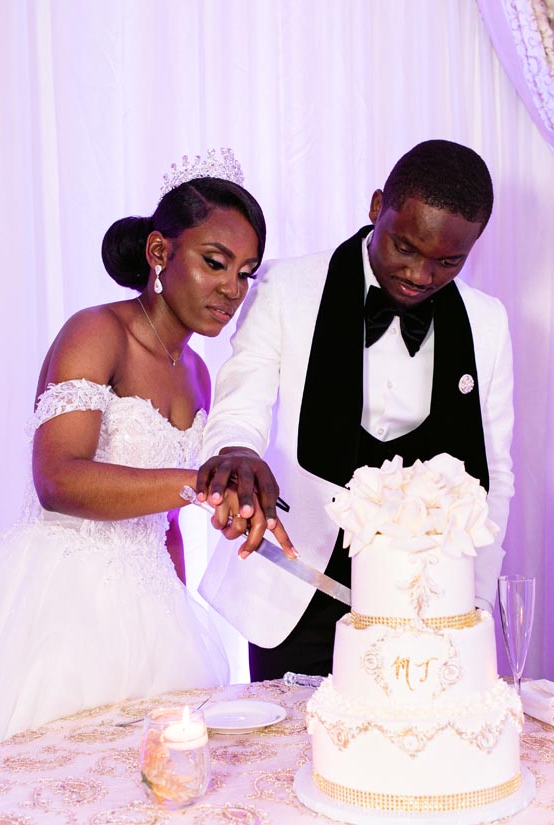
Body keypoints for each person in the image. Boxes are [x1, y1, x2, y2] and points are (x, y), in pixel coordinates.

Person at [0, 148, 266, 821]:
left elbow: (168, 521)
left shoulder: (199, 374)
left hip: (152, 606)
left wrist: (181, 582)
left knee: (153, 793)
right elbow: (57, 477)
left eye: (245, 273)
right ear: (160, 249)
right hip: (59, 600)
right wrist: (196, 480)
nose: (231, 289)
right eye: (215, 262)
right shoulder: (98, 332)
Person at [196, 139, 514, 682]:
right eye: (405, 247)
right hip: (299, 591)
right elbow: (240, 401)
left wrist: (476, 603)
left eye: (448, 261)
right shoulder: (285, 287)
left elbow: (494, 475)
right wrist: (237, 454)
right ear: (376, 208)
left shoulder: (486, 323)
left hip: (429, 602)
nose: (420, 274)